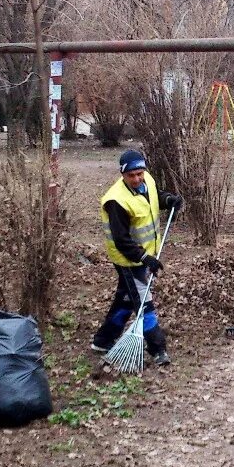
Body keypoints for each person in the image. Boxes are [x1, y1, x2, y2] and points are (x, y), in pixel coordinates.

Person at [91, 149, 183, 366]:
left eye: (140, 173)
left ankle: (103, 340)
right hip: (128, 260)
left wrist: (168, 199)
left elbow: (154, 196)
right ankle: (158, 349)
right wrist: (144, 258)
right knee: (144, 304)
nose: (137, 179)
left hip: (145, 254)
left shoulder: (146, 180)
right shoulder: (116, 201)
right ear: (122, 174)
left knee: (126, 299)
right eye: (131, 175)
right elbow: (122, 240)